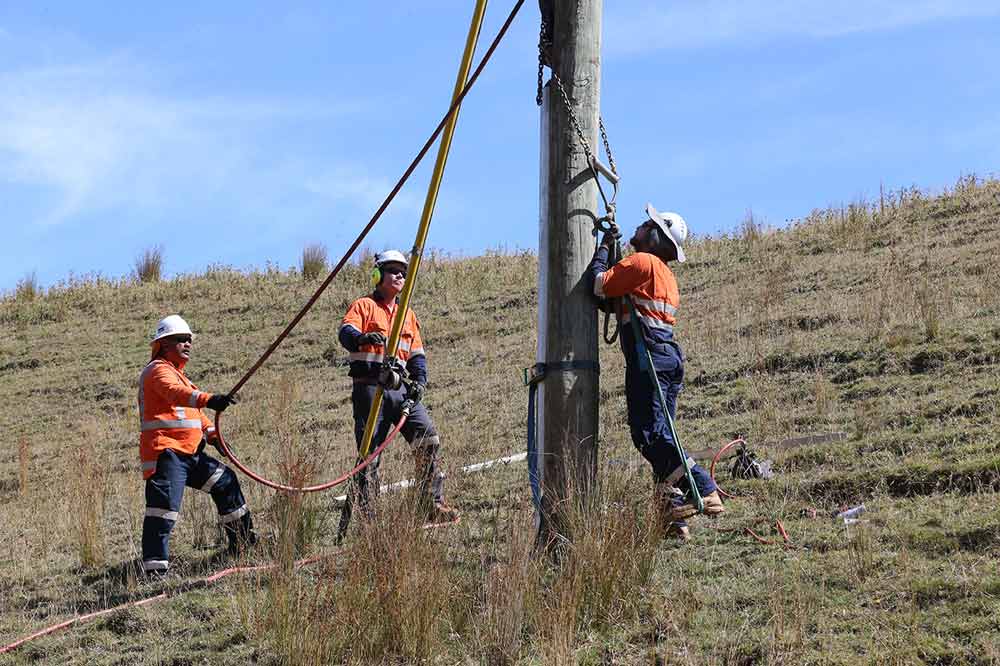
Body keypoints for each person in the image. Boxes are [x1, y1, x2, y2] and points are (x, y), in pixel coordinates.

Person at [589, 204, 724, 540]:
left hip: (648, 357)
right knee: (663, 434)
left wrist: (604, 247)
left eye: (648, 223)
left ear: (654, 236)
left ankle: (703, 488)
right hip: (666, 358)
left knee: (648, 435)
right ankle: (672, 515)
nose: (641, 224)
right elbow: (614, 299)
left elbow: (598, 286)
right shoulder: (663, 274)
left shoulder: (643, 262)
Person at [338, 250, 458, 524]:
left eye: (403, 272)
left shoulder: (408, 315)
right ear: (378, 275)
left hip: (399, 390)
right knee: (371, 455)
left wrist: (420, 382)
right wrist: (361, 337)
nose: (399, 276)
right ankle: (371, 520)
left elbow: (416, 355)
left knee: (428, 438)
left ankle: (431, 504)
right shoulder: (363, 306)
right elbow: (345, 332)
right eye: (392, 270)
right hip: (370, 390)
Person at [138, 314, 256, 576]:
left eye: (189, 340)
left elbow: (193, 415)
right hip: (167, 453)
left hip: (190, 454)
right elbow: (176, 395)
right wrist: (209, 398)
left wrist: (213, 435)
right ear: (164, 344)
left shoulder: (180, 376)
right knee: (164, 509)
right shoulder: (157, 371)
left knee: (226, 482)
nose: (188, 344)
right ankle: (154, 572)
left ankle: (245, 545)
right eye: (181, 340)